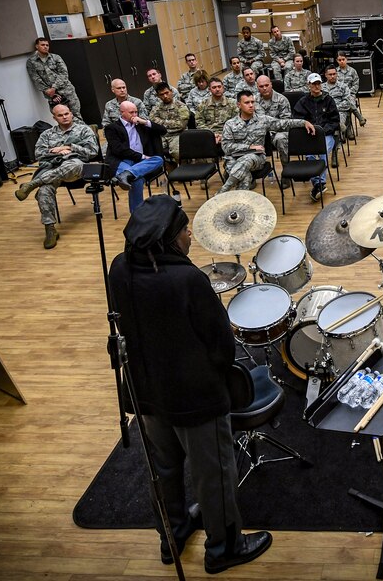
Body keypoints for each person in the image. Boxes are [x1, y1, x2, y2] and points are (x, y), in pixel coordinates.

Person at [107, 195, 273, 573]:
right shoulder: (188, 280)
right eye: (185, 230)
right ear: (168, 239)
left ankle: (172, 534)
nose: (190, 237)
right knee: (213, 474)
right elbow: (221, 346)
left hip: (145, 393)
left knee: (164, 469)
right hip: (195, 399)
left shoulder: (118, 268)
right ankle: (224, 548)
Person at [13, 104, 98, 249]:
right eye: (60, 115)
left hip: (74, 168)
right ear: (54, 118)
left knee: (74, 165)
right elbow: (39, 154)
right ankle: (50, 228)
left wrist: (69, 147)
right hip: (52, 168)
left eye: (66, 114)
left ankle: (33, 184)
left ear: (71, 114)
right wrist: (57, 152)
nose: (64, 117)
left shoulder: (83, 130)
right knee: (44, 191)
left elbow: (93, 151)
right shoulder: (47, 134)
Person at [220, 90, 314, 195]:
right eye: (247, 102)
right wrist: (249, 147)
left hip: (256, 157)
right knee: (245, 178)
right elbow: (226, 147)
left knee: (247, 159)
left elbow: (283, 123)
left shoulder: (263, 120)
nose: (251, 105)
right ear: (238, 105)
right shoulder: (230, 124)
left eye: (252, 102)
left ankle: (222, 192)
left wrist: (303, 122)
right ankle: (238, 202)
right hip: (234, 158)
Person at [105, 100, 167, 213]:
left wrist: (145, 122)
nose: (134, 115)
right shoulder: (112, 128)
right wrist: (141, 156)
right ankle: (137, 214)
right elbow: (119, 150)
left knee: (158, 159)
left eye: (136, 112)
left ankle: (126, 174)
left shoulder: (141, 125)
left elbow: (163, 130)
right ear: (122, 112)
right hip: (122, 160)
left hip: (141, 163)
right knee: (136, 180)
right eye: (131, 112)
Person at [291, 73, 340, 200]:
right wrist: (307, 127)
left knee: (323, 152)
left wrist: (322, 131)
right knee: (310, 155)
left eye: (318, 83)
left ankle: (320, 183)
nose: (317, 86)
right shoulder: (303, 102)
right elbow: (297, 120)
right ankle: (318, 184)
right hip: (309, 136)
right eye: (314, 84)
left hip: (326, 135)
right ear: (309, 85)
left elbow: (335, 121)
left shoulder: (329, 100)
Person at [26, 37, 83, 122]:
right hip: (52, 95)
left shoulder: (56, 58)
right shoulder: (31, 62)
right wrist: (48, 91)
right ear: (37, 46)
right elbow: (36, 78)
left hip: (67, 90)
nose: (45, 47)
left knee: (75, 114)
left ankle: (82, 130)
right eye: (42, 45)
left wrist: (54, 87)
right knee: (59, 117)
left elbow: (64, 74)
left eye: (47, 45)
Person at [255, 75, 292, 187]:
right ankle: (250, 174)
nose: (264, 88)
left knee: (281, 139)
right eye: (261, 86)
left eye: (266, 85)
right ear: (257, 87)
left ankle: (286, 173)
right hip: (259, 133)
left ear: (271, 85)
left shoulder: (281, 99)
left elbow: (285, 122)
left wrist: (270, 129)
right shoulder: (253, 100)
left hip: (277, 132)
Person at [149, 82, 191, 161]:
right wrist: (170, 124)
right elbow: (152, 121)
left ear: (171, 91)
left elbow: (181, 125)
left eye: (167, 93)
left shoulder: (181, 106)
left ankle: (185, 167)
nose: (165, 96)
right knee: (151, 151)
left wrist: (161, 124)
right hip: (162, 136)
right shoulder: (157, 107)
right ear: (158, 96)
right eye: (162, 94)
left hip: (178, 135)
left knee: (177, 152)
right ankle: (168, 167)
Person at [322, 65, 361, 141]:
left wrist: (335, 108)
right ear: (326, 75)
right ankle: (339, 133)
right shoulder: (321, 87)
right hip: (325, 112)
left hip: (341, 111)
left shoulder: (343, 86)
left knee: (339, 118)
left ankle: (339, 135)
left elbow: (347, 102)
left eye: (334, 74)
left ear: (337, 74)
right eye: (330, 74)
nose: (332, 76)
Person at [195, 78, 237, 143]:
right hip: (208, 135)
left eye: (219, 87)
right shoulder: (203, 105)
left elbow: (236, 122)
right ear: (209, 89)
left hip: (229, 135)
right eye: (214, 87)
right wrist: (211, 135)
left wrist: (223, 136)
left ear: (223, 88)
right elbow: (199, 122)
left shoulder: (232, 103)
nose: (217, 89)